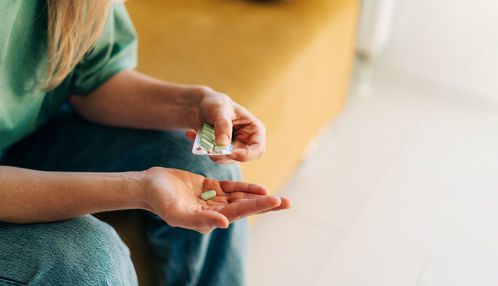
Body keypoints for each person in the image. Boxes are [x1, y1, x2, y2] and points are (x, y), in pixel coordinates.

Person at [0, 1, 291, 285]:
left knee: (201, 163)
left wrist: (197, 104)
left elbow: (94, 78)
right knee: (85, 262)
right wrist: (136, 187)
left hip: (24, 137)